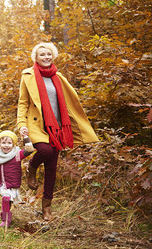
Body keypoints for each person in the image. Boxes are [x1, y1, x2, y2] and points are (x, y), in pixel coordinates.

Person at [17, 42, 98, 221]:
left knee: (52, 168)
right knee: (45, 151)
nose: (46, 57)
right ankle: (32, 167)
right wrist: (21, 124)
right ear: (36, 58)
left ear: (52, 56)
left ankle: (46, 208)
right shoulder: (28, 75)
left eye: (48, 54)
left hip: (57, 127)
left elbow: (70, 102)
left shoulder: (58, 77)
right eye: (42, 55)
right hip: (37, 125)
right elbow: (23, 103)